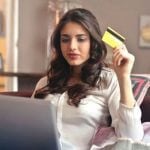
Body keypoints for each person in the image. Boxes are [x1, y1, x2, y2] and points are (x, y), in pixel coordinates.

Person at [32, 8, 144, 150]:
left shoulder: (107, 81)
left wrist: (124, 77)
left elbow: (132, 138)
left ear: (93, 42)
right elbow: (27, 126)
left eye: (81, 39)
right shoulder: (46, 82)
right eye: (65, 39)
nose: (72, 46)